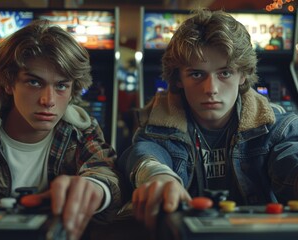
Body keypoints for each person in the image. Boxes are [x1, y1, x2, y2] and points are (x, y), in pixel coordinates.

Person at [0, 19, 122, 240]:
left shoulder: (82, 132)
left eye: (61, 85)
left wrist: (94, 187)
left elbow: (105, 172)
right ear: (8, 83)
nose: (48, 100)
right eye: (34, 82)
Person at [117, 9, 298, 228]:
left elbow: (290, 157)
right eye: (196, 74)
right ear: (179, 79)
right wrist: (157, 176)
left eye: (224, 73)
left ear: (243, 75)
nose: (211, 89)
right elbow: (145, 155)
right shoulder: (157, 127)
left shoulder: (275, 126)